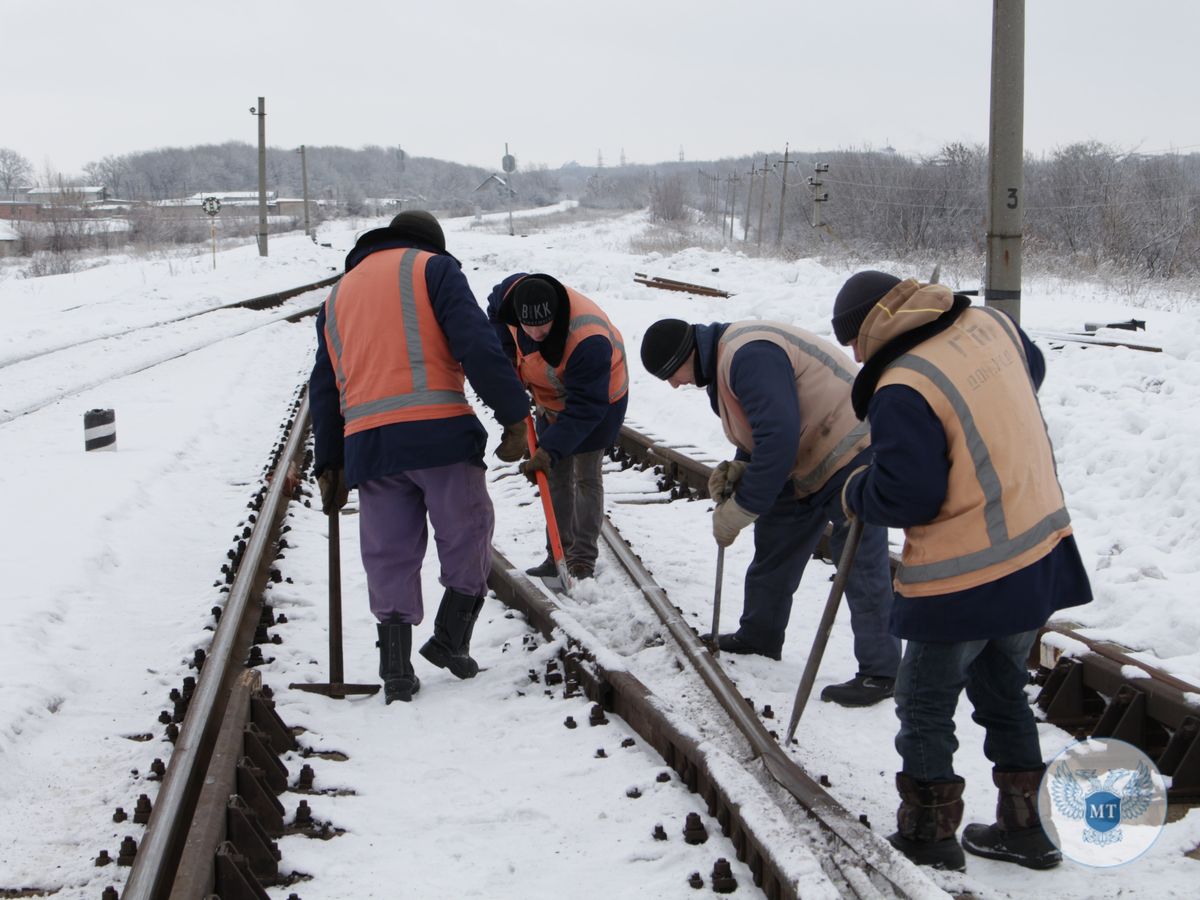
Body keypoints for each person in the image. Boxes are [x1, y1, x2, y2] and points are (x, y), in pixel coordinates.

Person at [831, 270, 1093, 871]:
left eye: (852, 343)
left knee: (923, 702)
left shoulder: (903, 384)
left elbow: (909, 495)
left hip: (966, 573)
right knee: (1004, 690)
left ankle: (929, 834)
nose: (854, 356)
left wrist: (858, 492)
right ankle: (1024, 828)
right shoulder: (989, 324)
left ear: (866, 332)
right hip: (1035, 547)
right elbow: (1032, 376)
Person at [309, 211, 530, 704]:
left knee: (388, 551)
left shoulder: (336, 296)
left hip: (370, 444)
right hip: (439, 434)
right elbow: (476, 344)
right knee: (467, 531)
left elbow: (323, 387)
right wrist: (514, 414)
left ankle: (396, 670)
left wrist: (330, 461)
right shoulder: (433, 269)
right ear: (432, 243)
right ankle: (451, 639)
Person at [639, 317, 901, 707]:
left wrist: (740, 509)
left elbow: (777, 437)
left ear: (687, 355)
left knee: (859, 562)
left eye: (671, 374)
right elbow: (761, 431)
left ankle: (881, 672)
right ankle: (759, 635)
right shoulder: (725, 361)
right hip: (809, 454)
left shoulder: (748, 355)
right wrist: (741, 467)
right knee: (776, 544)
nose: (674, 385)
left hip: (850, 451)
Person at [487, 273, 628, 580]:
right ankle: (558, 554)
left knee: (586, 475)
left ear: (557, 315)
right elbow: (494, 311)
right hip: (550, 395)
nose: (536, 332)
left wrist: (549, 451)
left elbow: (586, 408)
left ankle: (581, 561)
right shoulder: (510, 298)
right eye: (528, 325)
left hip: (600, 398)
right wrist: (507, 353)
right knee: (556, 477)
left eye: (544, 325)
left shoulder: (588, 340)